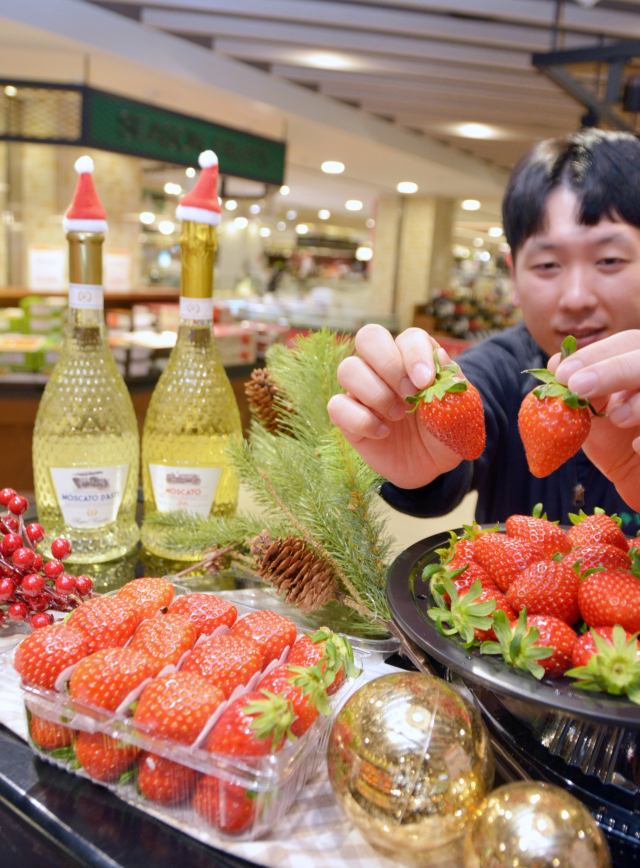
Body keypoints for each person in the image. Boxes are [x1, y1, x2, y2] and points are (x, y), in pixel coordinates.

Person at [327, 129, 640, 530]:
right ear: (514, 275)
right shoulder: (501, 367)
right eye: (547, 264)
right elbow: (461, 425)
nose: (576, 296)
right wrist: (414, 454)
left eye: (610, 259)